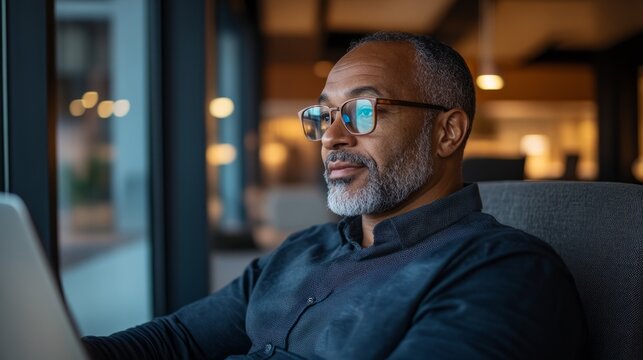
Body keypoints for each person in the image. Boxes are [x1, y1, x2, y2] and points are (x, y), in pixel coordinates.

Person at [83, 32, 587, 359]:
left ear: (448, 133)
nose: (331, 137)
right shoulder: (302, 250)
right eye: (325, 115)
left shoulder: (504, 272)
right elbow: (178, 340)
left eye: (362, 111)